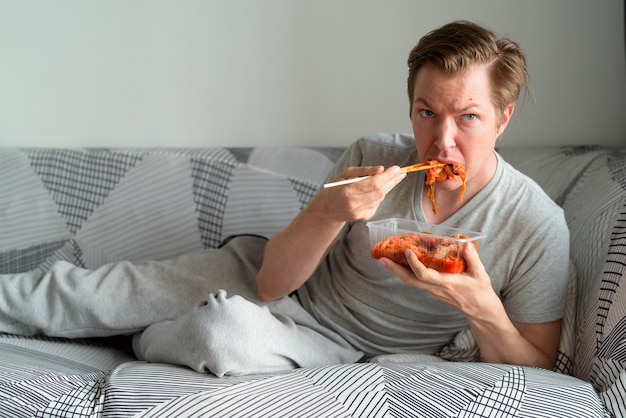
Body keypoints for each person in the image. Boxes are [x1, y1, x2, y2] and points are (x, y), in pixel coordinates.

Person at [0, 20, 569, 377]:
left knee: (221, 334)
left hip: (334, 346)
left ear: (502, 118)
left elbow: (540, 363)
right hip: (264, 274)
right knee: (95, 289)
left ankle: (144, 330)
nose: (442, 140)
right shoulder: (373, 154)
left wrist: (477, 305)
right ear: (412, 108)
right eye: (427, 113)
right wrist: (331, 209)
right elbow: (273, 283)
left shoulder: (537, 225)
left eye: (468, 117)